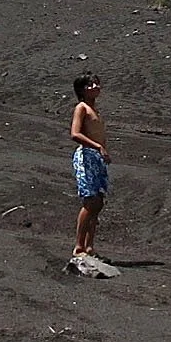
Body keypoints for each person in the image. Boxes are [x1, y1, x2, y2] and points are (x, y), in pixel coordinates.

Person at [69, 72, 110, 257]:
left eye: (96, 83)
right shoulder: (82, 108)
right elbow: (75, 133)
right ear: (82, 90)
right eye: (90, 85)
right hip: (86, 156)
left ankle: (89, 245)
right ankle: (79, 246)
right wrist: (97, 146)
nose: (95, 87)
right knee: (90, 200)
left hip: (97, 158)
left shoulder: (95, 110)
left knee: (98, 202)